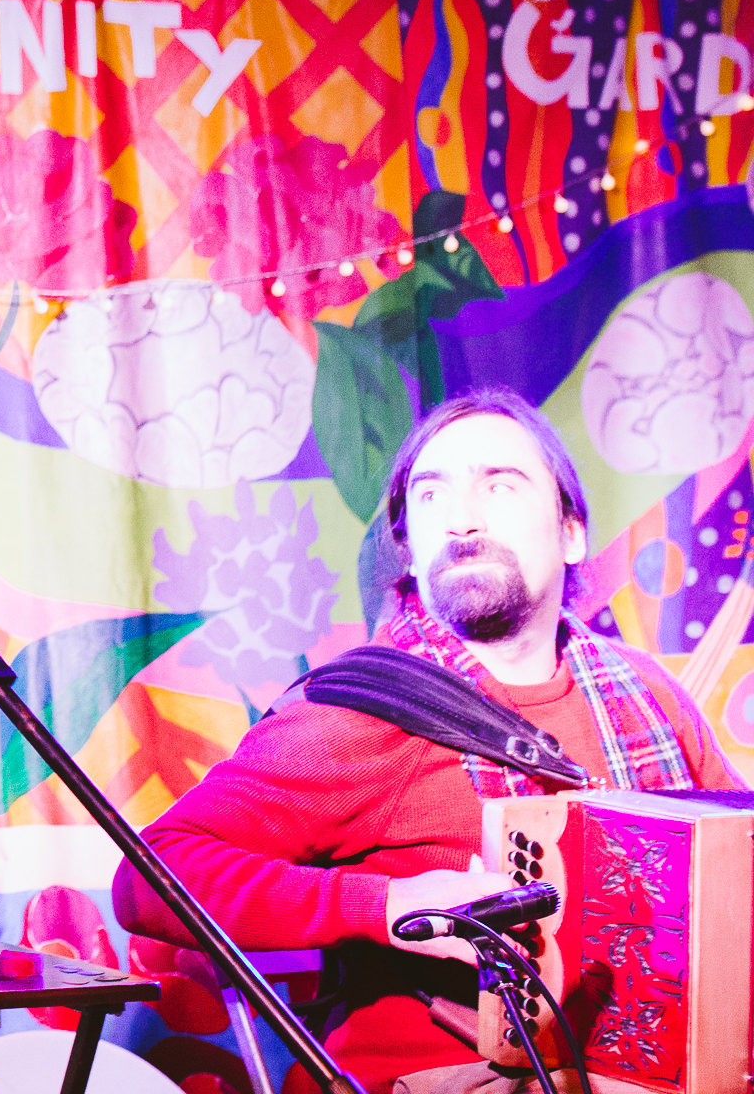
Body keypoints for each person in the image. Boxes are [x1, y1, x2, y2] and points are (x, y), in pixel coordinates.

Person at [113, 385, 743, 1094]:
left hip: (665, 1065)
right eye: (432, 495)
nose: (462, 519)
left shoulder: (648, 693)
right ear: (410, 551)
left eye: (500, 485)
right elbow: (147, 881)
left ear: (572, 534)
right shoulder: (364, 715)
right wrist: (386, 905)